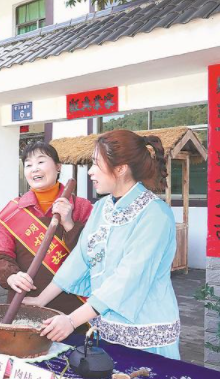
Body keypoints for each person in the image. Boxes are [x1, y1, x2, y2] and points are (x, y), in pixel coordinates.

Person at [24, 130, 181, 359]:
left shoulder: (155, 214)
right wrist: (41, 300)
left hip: (146, 330)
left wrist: (71, 320)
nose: (90, 171)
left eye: (96, 164)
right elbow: (80, 259)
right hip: (106, 325)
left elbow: (128, 278)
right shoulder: (101, 208)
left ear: (121, 168)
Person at [0, 142, 93, 316]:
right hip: (25, 301)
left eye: (41, 162)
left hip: (73, 305)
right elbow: (2, 255)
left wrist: (69, 223)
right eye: (28, 165)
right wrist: (11, 276)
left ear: (58, 167)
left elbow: (93, 255)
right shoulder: (14, 210)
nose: (34, 169)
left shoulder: (82, 207)